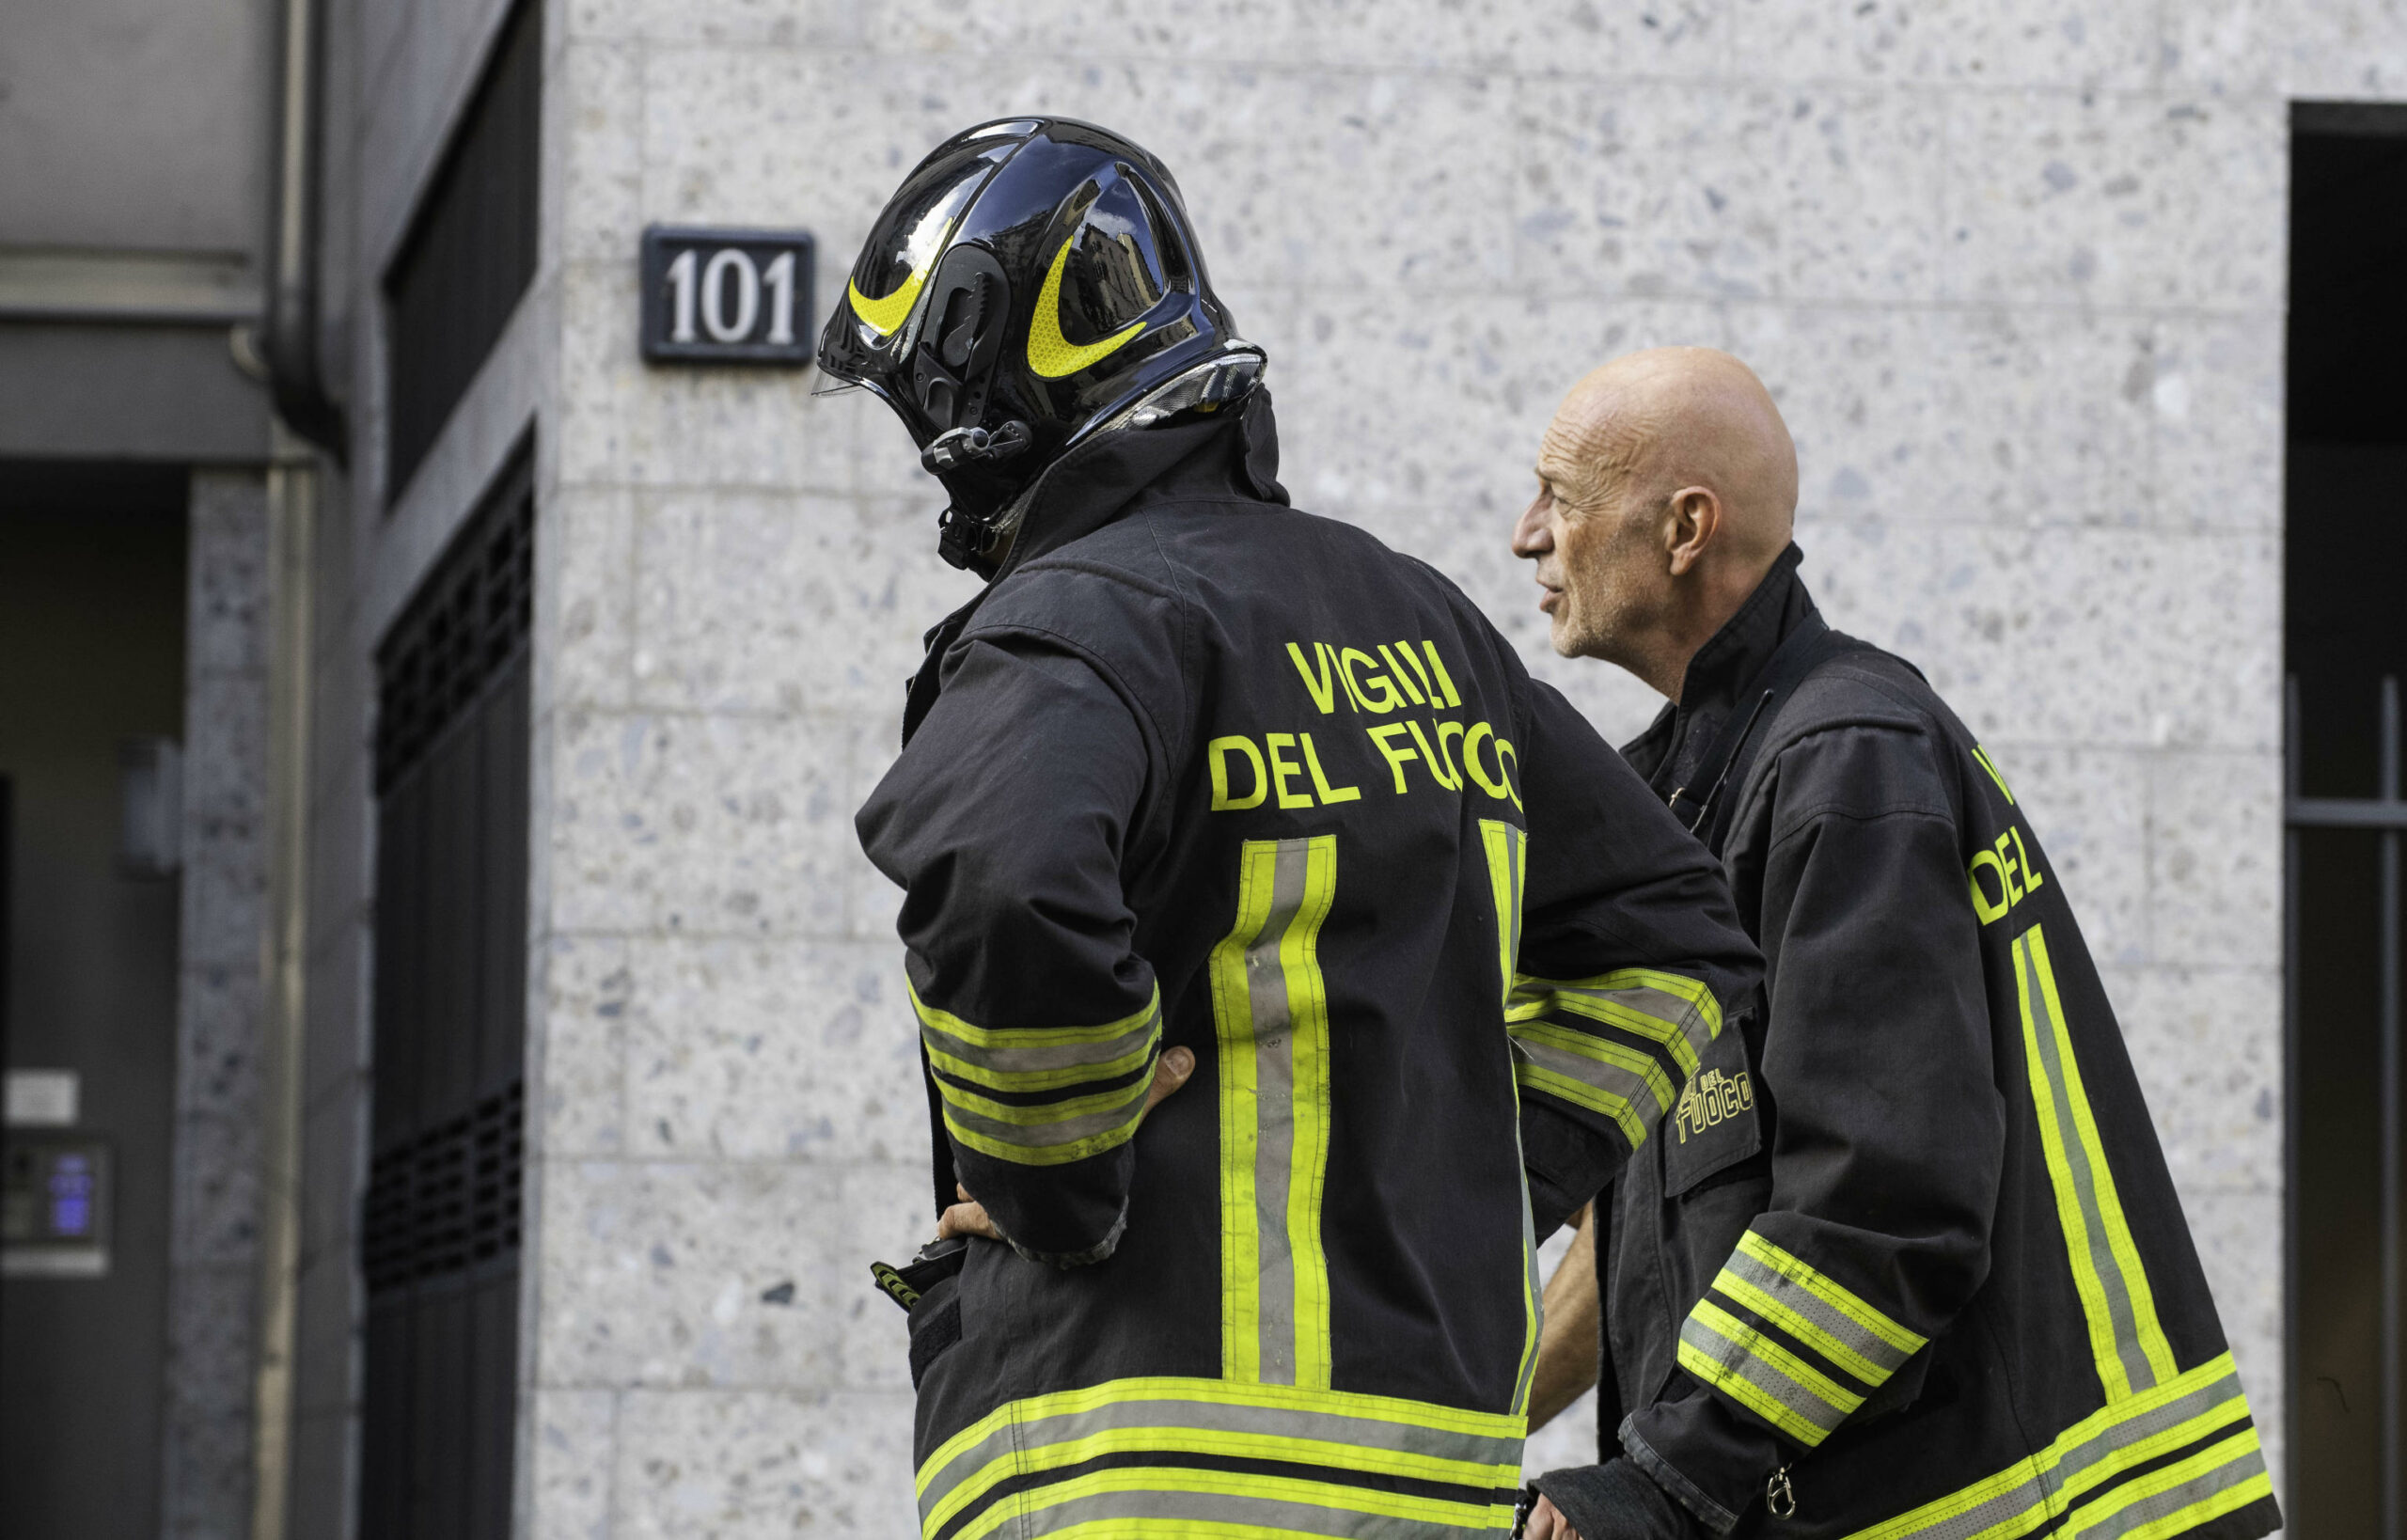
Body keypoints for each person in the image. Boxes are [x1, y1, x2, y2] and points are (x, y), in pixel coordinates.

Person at [821, 120, 1763, 1540]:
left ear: (997, 394)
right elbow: (1677, 941)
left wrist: (1055, 1172)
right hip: (1426, 1471)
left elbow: (998, 878)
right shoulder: (1426, 624)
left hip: (1130, 1455)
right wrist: (1472, 1168)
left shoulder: (1080, 620)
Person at [1507, 348, 2282, 1540]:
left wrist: (1667, 1477)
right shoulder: (1698, 799)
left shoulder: (1846, 764)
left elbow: (1881, 1202)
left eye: (1559, 496)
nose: (1527, 537)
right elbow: (1635, 1230)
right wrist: (1469, 1425)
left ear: (1682, 529)